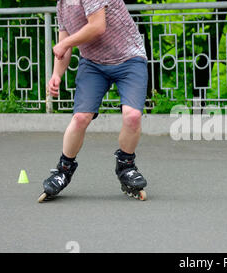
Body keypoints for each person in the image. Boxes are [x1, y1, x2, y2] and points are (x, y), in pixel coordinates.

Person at [39, 0, 149, 202]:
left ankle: (126, 166)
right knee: (80, 117)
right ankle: (63, 169)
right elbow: (64, 43)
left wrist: (65, 43)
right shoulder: (62, 4)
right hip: (93, 65)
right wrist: (56, 74)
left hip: (129, 59)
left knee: (132, 116)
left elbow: (97, 26)